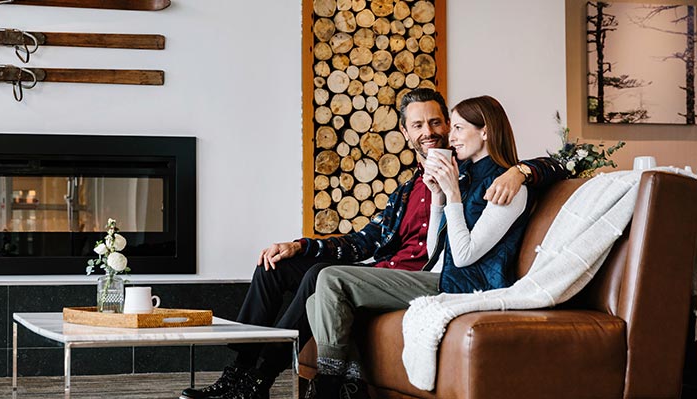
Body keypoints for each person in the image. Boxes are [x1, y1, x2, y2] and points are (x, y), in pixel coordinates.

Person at [179, 89, 566, 399]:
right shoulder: (407, 190)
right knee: (275, 266)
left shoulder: (470, 170)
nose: (430, 131)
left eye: (437, 122)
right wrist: (300, 245)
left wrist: (523, 171)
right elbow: (365, 241)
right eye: (418, 125)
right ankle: (238, 378)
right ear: (405, 133)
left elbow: (556, 164)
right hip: (387, 268)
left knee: (321, 278)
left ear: (451, 126)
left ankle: (261, 380)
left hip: (424, 275)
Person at [304, 95, 536, 399]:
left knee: (330, 279)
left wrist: (453, 193)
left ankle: (329, 384)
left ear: (486, 131)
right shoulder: (466, 176)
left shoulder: (508, 187)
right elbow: (433, 251)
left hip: (467, 285)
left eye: (459, 128)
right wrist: (438, 197)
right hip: (440, 275)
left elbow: (465, 257)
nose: (450, 137)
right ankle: (353, 385)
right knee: (316, 302)